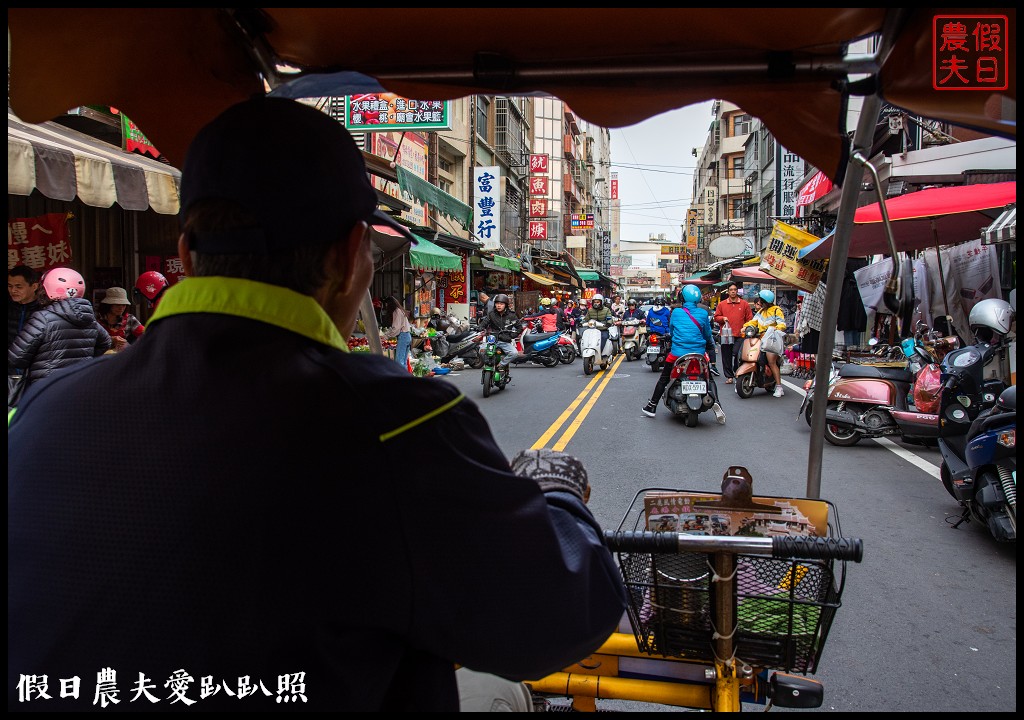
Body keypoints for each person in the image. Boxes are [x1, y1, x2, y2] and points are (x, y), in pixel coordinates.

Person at [7, 97, 626, 712]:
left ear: (189, 254)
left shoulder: (48, 407)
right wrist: (559, 495)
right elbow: (558, 617)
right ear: (347, 255)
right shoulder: (397, 420)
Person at [8, 266, 112, 390]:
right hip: (79, 382)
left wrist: (40, 362)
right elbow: (106, 342)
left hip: (46, 386)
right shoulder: (89, 319)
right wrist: (83, 361)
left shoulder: (42, 317)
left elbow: (17, 357)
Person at [642, 284, 726, 424]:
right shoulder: (704, 313)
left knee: (664, 378)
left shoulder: (676, 313)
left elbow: (672, 331)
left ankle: (652, 406)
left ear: (682, 298)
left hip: (678, 354)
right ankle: (717, 402)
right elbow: (707, 334)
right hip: (699, 354)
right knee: (709, 379)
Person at [743, 288, 787, 397]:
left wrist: (776, 328)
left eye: (761, 300)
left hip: (771, 340)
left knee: (771, 362)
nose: (760, 302)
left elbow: (782, 324)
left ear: (765, 301)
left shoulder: (777, 310)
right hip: (760, 338)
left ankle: (779, 387)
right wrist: (745, 327)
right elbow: (753, 321)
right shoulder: (761, 311)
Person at [713, 283, 753, 385]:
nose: (733, 291)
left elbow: (750, 318)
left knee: (737, 354)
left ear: (737, 291)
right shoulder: (722, 304)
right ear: (728, 292)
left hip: (740, 335)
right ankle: (729, 376)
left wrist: (746, 327)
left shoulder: (744, 304)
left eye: (735, 289)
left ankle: (737, 371)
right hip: (726, 335)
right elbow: (716, 317)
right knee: (726, 356)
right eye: (731, 290)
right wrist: (723, 318)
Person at [478, 292, 520, 373]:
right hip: (492, 341)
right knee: (481, 350)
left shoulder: (512, 315)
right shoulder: (491, 314)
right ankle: (489, 363)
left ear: (506, 305)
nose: (499, 305)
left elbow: (519, 328)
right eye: (497, 303)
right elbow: (484, 323)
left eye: (501, 304)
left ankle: (501, 364)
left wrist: (511, 336)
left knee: (514, 353)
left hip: (505, 341)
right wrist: (480, 327)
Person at [96, 286, 146, 352]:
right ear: (108, 305)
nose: (121, 308)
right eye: (117, 305)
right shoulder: (96, 319)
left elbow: (144, 333)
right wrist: (111, 340)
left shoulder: (129, 319)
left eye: (123, 305)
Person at [8, 264, 41, 349]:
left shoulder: (44, 310)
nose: (13, 290)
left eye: (19, 286)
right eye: (10, 286)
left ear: (34, 286)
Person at [382, 294, 412, 367]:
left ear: (389, 304)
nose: (386, 307)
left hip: (403, 336)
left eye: (386, 305)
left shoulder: (396, 311)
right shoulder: (400, 310)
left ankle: (401, 377)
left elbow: (396, 328)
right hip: (407, 336)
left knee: (399, 362)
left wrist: (386, 336)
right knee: (403, 362)